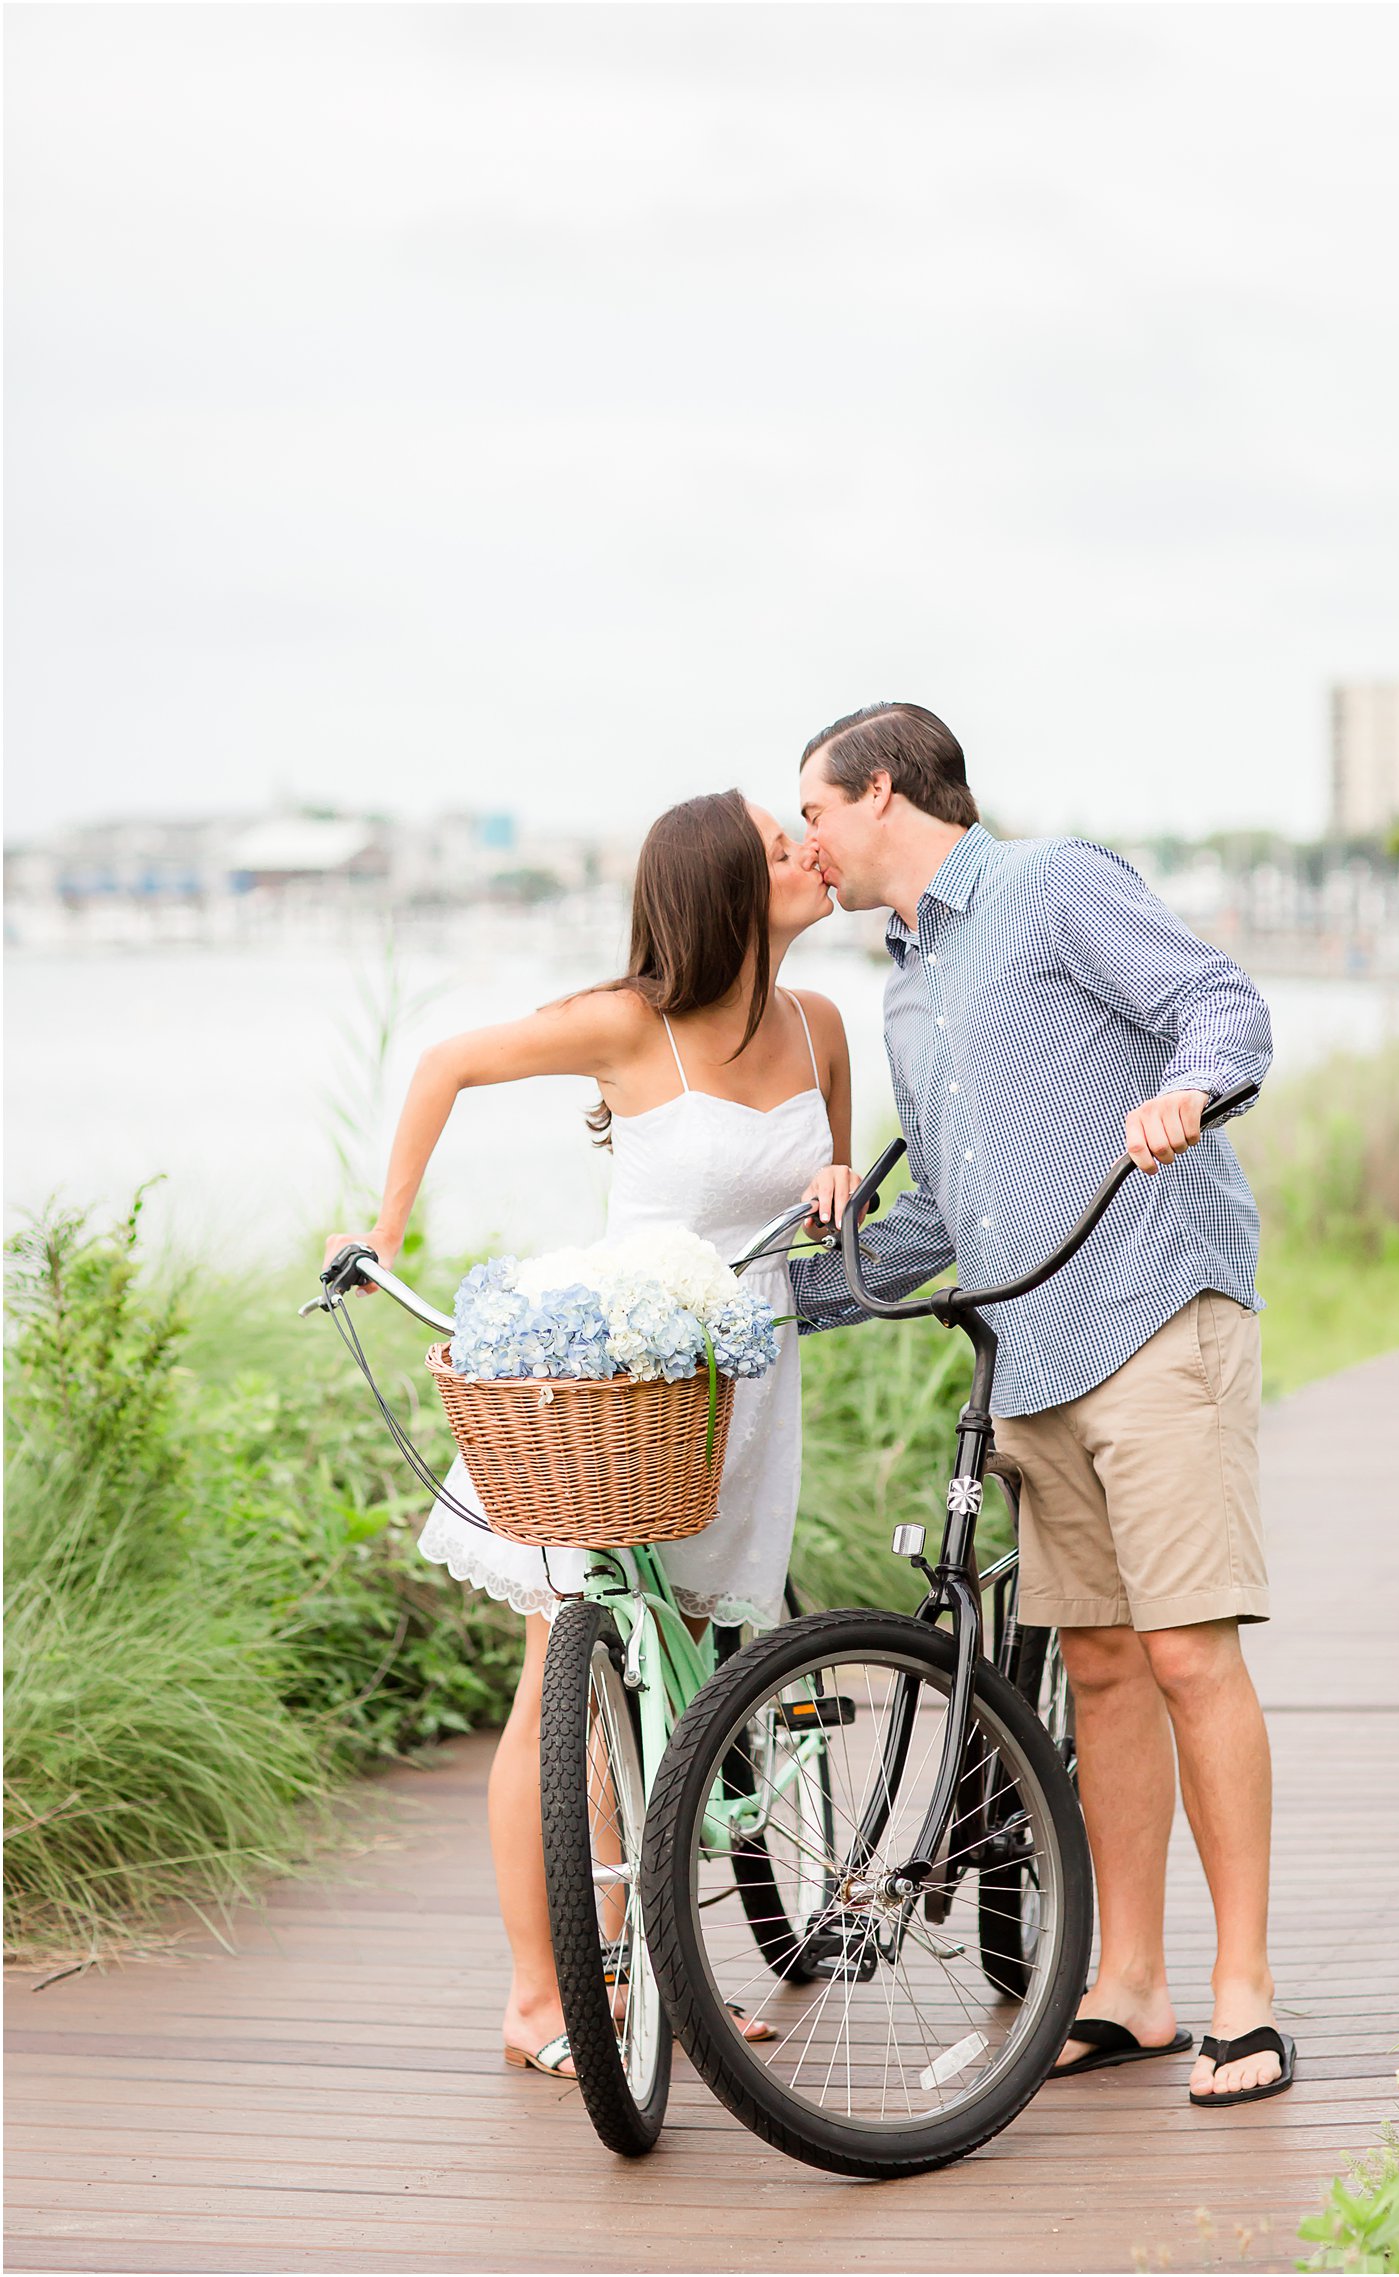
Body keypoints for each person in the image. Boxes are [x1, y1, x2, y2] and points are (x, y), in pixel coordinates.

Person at [790, 702, 1294, 2109]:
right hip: (1032, 1356)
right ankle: (1128, 1985)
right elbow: (941, 1212)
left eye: (817, 813)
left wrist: (1189, 1090)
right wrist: (762, 1303)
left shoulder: (1050, 884)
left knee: (1191, 1654)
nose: (808, 843)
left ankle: (1242, 1994)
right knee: (1109, 1669)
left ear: (881, 791)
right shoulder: (903, 988)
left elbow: (1223, 1005)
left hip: (1150, 1311)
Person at [326, 789, 859, 2081]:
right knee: (566, 1690)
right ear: (731, 886)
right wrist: (383, 1231)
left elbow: (825, 1190)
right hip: (616, 1387)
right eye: (783, 846)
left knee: (685, 1702)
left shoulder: (823, 1025)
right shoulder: (631, 1021)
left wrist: (837, 1186)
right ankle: (538, 1992)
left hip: (743, 1384)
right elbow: (446, 1060)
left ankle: (667, 1983)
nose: (809, 853)